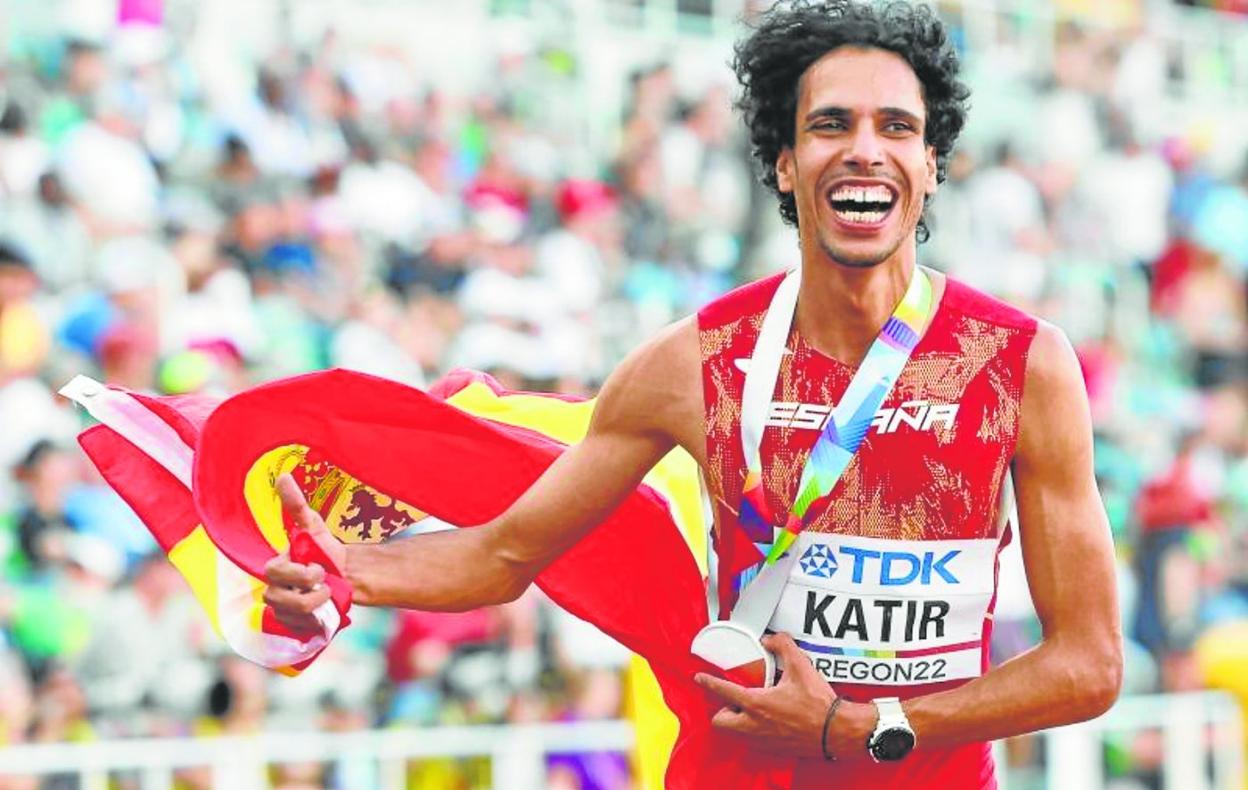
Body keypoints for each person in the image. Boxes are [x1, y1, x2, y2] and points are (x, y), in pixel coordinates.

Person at [262, 2, 1122, 786]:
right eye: (830, 124)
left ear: (929, 165)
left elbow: (1089, 663)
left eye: (896, 126)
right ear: (784, 164)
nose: (866, 148)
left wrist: (871, 728)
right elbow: (504, 554)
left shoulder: (1019, 365)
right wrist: (350, 573)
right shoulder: (691, 364)